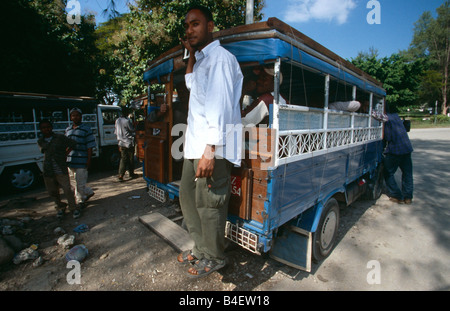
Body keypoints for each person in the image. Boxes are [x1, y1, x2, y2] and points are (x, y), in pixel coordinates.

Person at [178, 4, 243, 278]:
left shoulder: (220, 59)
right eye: (187, 26)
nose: (189, 30)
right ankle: (202, 248)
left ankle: (214, 257)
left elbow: (220, 107)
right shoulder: (204, 60)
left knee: (210, 203)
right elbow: (190, 82)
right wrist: (191, 54)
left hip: (211, 148)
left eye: (195, 24)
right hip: (195, 146)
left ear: (210, 26)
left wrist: (210, 149)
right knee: (188, 198)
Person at [37, 120, 81, 218]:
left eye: (48, 127)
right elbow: (45, 150)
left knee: (67, 190)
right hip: (48, 170)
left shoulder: (60, 137)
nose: (46, 129)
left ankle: (73, 208)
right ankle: (60, 208)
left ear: (51, 127)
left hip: (60, 168)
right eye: (43, 128)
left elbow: (73, 143)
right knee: (53, 192)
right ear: (41, 129)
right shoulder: (41, 141)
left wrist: (65, 153)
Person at [383, 103, 414, 204]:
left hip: (395, 150)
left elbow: (388, 137)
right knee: (407, 174)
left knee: (388, 172)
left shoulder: (387, 120)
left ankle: (397, 196)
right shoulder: (396, 117)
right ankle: (408, 197)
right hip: (406, 148)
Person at [65, 108, 96, 207]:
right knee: (73, 183)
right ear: (71, 117)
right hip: (70, 160)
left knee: (80, 183)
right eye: (73, 115)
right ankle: (89, 192)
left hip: (82, 160)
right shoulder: (68, 130)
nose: (75, 117)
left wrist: (89, 160)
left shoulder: (86, 129)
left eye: (77, 115)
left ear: (81, 116)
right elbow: (66, 146)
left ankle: (80, 201)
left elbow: (90, 146)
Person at [115, 107, 137, 181]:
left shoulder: (117, 120)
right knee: (130, 158)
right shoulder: (127, 121)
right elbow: (132, 130)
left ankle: (121, 174)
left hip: (121, 142)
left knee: (123, 159)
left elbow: (116, 132)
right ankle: (131, 173)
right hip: (128, 142)